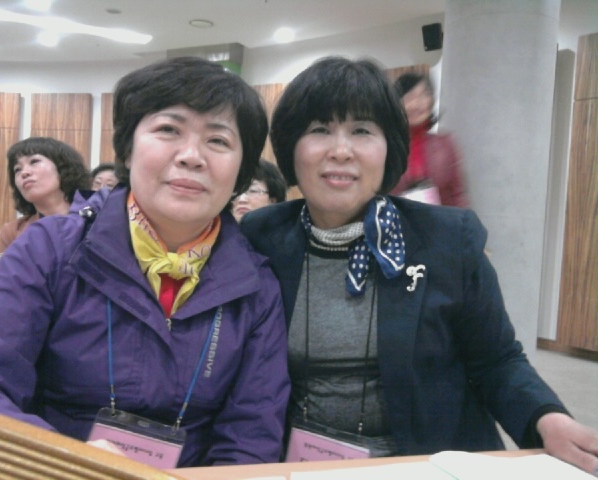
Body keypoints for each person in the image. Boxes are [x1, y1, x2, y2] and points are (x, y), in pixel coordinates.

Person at [240, 56, 598, 475]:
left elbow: (497, 360)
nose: (341, 150)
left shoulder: (447, 239)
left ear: (389, 147)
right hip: (302, 466)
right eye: (320, 129)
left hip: (427, 463)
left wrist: (547, 418)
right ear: (290, 146)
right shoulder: (263, 235)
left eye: (362, 131)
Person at [0, 57, 290, 468]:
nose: (191, 156)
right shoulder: (52, 248)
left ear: (241, 171)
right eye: (168, 130)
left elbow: (251, 437)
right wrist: (66, 460)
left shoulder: (255, 284)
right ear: (128, 149)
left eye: (218, 141)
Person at [0, 136, 91, 252]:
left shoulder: (96, 218)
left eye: (34, 162)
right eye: (17, 169)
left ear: (62, 167)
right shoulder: (11, 232)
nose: (24, 173)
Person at [389, 72, 468, 208]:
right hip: (396, 220)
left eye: (423, 95)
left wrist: (464, 220)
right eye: (409, 97)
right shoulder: (387, 146)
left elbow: (457, 194)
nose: (417, 103)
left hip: (440, 220)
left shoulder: (445, 143)